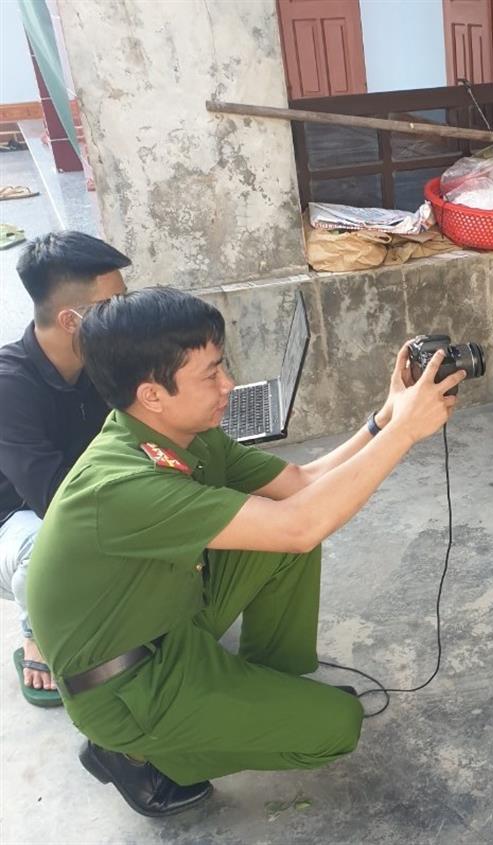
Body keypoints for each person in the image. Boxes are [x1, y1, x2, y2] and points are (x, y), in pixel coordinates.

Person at [27, 286, 465, 817]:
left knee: (283, 547)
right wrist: (406, 437)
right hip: (127, 685)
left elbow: (301, 483)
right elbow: (300, 524)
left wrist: (388, 418)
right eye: (211, 375)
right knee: (335, 727)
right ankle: (134, 752)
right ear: (152, 394)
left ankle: (265, 687)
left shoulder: (180, 431)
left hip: (168, 619)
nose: (228, 384)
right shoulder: (120, 485)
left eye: (223, 365)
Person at [0, 231, 130, 706]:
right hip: (15, 520)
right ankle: (36, 631)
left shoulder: (98, 362)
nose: (126, 315)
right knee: (50, 546)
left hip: (76, 495)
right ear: (71, 320)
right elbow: (54, 500)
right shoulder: (10, 386)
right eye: (115, 305)